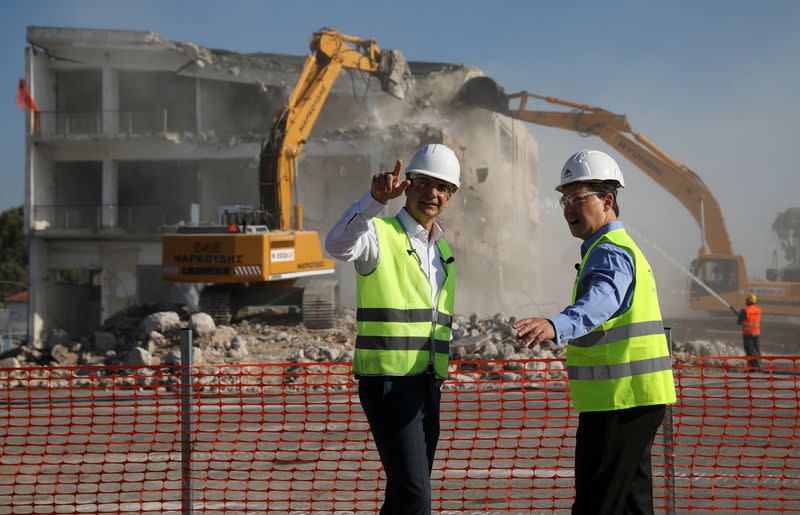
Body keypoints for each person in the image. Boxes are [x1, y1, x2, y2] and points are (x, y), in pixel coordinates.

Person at [512, 150, 677, 515]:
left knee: (596, 505)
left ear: (608, 200)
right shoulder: (612, 248)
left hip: (619, 401)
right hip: (635, 399)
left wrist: (556, 324)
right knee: (633, 504)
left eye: (579, 197)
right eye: (564, 199)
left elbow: (602, 301)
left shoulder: (610, 252)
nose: (569, 207)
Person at [324, 143, 460, 514]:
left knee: (404, 496)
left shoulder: (443, 251)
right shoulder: (377, 234)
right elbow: (335, 245)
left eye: (443, 187)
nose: (433, 193)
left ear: (450, 196)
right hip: (389, 384)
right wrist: (371, 201)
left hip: (428, 385)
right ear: (408, 184)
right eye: (425, 182)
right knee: (416, 498)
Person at [737, 293, 762, 369]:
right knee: (757, 350)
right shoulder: (758, 310)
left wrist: (740, 317)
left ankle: (754, 367)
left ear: (748, 301)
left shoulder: (745, 310)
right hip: (756, 333)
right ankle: (759, 364)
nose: (745, 301)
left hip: (748, 334)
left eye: (746, 300)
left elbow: (739, 322)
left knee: (750, 351)